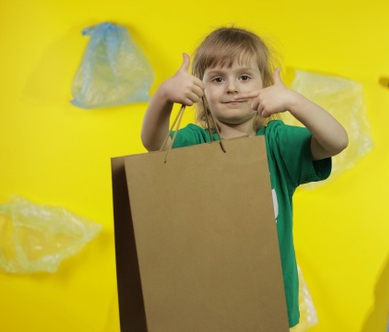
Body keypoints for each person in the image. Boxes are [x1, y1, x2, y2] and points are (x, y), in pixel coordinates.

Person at [141, 26, 348, 328]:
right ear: (201, 89)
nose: (232, 88)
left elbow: (336, 141)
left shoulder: (277, 142)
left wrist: (293, 101)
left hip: (268, 296)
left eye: (244, 77)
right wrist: (163, 97)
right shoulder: (195, 140)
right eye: (217, 79)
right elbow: (154, 143)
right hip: (204, 294)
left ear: (265, 85)